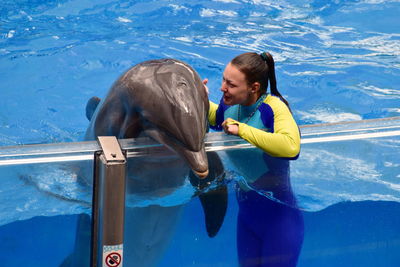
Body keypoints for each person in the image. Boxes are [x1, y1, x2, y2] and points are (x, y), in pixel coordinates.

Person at [204, 52, 304, 267]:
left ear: (254, 87)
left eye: (230, 84)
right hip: (247, 218)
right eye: (223, 80)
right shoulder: (231, 104)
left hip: (279, 220)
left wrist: (242, 130)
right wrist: (198, 98)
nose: (222, 88)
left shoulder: (273, 108)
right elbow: (215, 118)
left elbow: (291, 147)